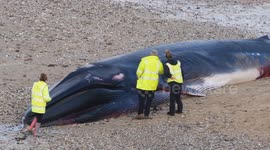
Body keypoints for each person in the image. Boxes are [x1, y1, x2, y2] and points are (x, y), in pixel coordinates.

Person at [135, 50, 164, 119]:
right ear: (156, 55)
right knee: (149, 100)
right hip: (152, 85)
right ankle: (146, 115)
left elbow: (138, 72)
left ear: (150, 54)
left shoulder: (144, 61)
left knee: (141, 100)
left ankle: (139, 114)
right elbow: (161, 72)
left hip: (143, 85)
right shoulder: (159, 63)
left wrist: (139, 78)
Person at [164, 50, 184, 116]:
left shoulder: (167, 64)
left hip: (173, 82)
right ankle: (180, 110)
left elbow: (166, 73)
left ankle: (172, 112)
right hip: (179, 81)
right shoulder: (178, 62)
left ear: (166, 57)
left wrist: (170, 76)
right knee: (178, 96)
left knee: (172, 97)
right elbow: (182, 72)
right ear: (172, 55)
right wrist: (182, 80)